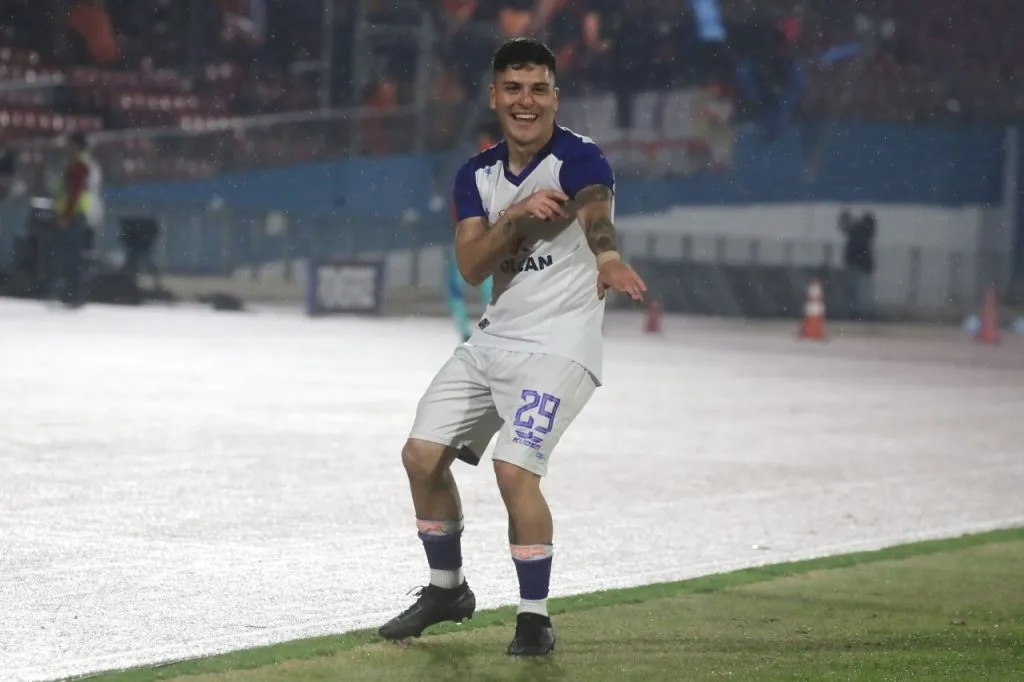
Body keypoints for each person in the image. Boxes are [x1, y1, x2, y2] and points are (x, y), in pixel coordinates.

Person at [378, 38, 646, 656]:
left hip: (560, 349)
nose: (526, 102)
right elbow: (472, 267)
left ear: (555, 96)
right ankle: (447, 589)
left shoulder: (580, 157)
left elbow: (595, 210)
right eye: (514, 89)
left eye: (539, 89)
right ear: (496, 95)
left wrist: (606, 255)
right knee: (421, 457)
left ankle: (534, 617)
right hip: (494, 340)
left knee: (513, 468)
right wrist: (517, 217)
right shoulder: (477, 174)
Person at [50, 131, 103, 307]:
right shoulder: (85, 163)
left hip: (75, 215)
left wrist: (66, 215)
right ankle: (74, 294)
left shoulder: (79, 165)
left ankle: (73, 295)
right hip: (81, 214)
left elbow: (74, 192)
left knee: (72, 256)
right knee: (76, 256)